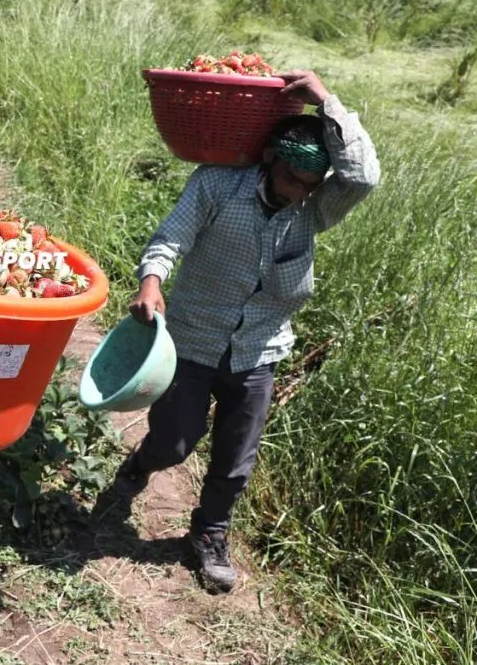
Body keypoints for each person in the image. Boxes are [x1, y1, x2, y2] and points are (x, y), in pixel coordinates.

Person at [122, 70, 380, 592]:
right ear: (270, 161)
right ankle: (142, 462)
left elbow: (365, 176)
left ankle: (210, 533)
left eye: (310, 186)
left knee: (236, 459)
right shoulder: (217, 185)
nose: (299, 194)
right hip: (192, 339)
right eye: (292, 180)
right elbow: (171, 237)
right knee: (173, 443)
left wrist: (326, 98)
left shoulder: (313, 210)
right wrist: (151, 282)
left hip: (260, 348)